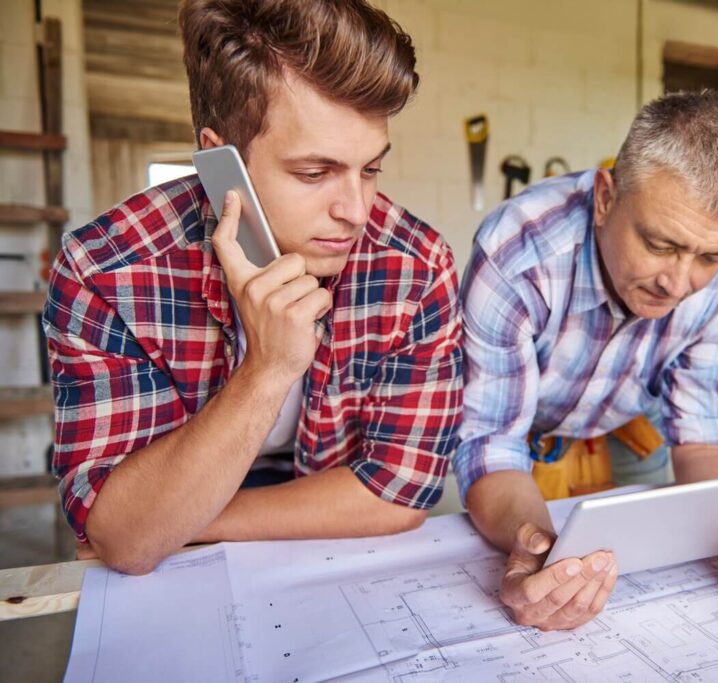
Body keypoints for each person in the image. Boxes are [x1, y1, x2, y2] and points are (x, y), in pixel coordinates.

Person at [43, 0, 461, 575]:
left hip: (300, 536)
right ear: (222, 164)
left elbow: (400, 494)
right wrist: (267, 368)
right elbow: (126, 543)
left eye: (370, 170)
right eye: (314, 174)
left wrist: (182, 521)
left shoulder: (417, 265)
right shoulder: (107, 270)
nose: (356, 211)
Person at [455, 91, 718, 631]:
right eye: (659, 243)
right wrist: (535, 554)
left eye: (710, 257)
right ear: (606, 198)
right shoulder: (519, 251)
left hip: (630, 424)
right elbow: (491, 445)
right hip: (524, 430)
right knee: (538, 555)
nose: (678, 283)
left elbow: (703, 439)